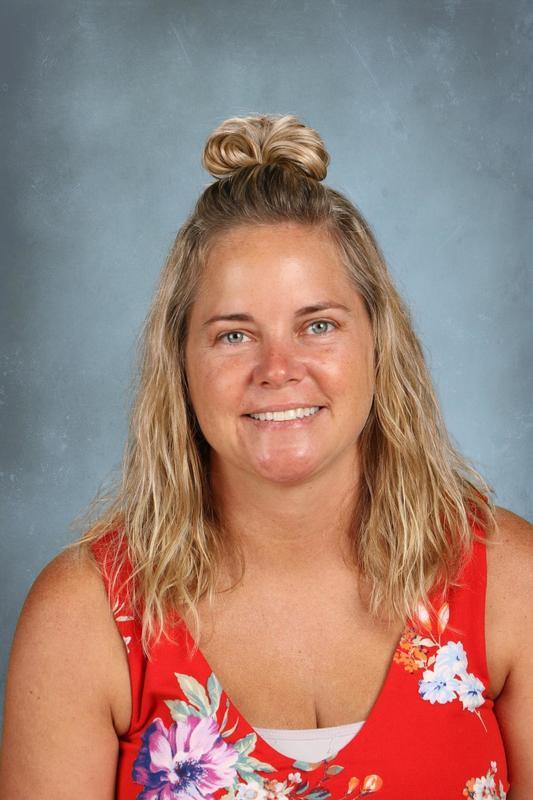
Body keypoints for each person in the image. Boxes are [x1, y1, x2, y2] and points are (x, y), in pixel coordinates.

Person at [0, 113, 531, 800]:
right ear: (180, 362)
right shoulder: (85, 616)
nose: (278, 369)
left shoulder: (509, 582)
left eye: (318, 325)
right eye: (233, 335)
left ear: (379, 343)